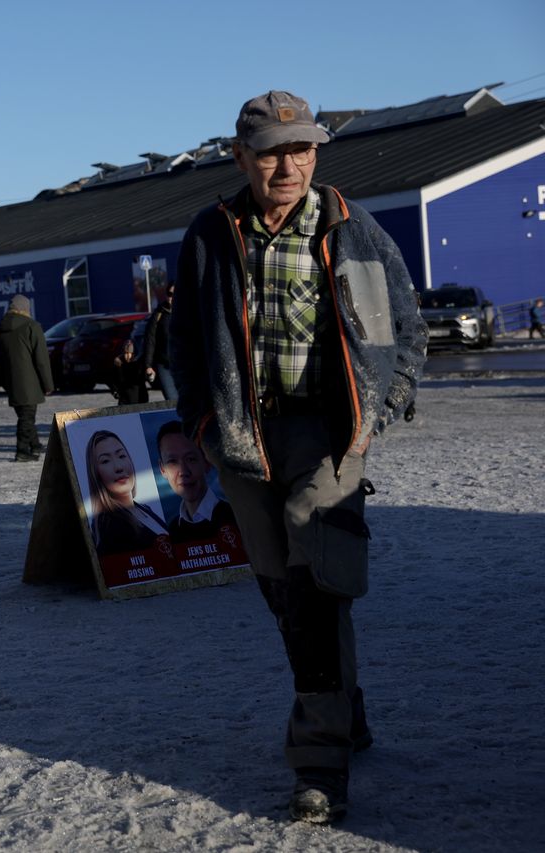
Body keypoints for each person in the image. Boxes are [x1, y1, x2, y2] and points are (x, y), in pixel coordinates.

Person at [169, 90, 428, 824]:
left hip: (329, 434)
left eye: (304, 147)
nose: (291, 163)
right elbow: (182, 343)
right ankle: (347, 706)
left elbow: (405, 327)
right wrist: (204, 424)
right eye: (275, 149)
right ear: (241, 155)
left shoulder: (355, 228)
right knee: (284, 591)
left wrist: (377, 411)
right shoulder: (210, 235)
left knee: (318, 587)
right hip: (245, 437)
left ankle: (319, 767)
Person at [84, 429, 168, 555]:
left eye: (122, 456)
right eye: (106, 461)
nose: (118, 467)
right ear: (95, 473)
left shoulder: (143, 508)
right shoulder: (109, 525)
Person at [0, 295, 54, 462]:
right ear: (26, 309)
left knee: (24, 413)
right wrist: (47, 383)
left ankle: (35, 445)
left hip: (11, 380)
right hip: (29, 380)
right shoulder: (31, 326)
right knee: (27, 416)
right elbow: (41, 359)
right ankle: (22, 450)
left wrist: (3, 379)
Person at [155, 420, 235, 543]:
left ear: (207, 462)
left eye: (191, 459)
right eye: (172, 462)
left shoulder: (234, 518)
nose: (183, 471)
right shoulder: (172, 531)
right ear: (162, 469)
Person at [142, 283, 177, 401]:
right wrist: (148, 365)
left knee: (189, 400)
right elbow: (150, 340)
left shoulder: (188, 313)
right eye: (170, 294)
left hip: (185, 365)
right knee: (172, 399)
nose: (172, 297)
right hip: (165, 365)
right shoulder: (159, 314)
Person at [109, 338, 149, 404]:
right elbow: (113, 380)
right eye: (126, 353)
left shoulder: (139, 364)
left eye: (130, 353)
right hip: (125, 399)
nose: (127, 356)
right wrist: (115, 391)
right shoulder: (118, 364)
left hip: (140, 398)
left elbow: (143, 378)